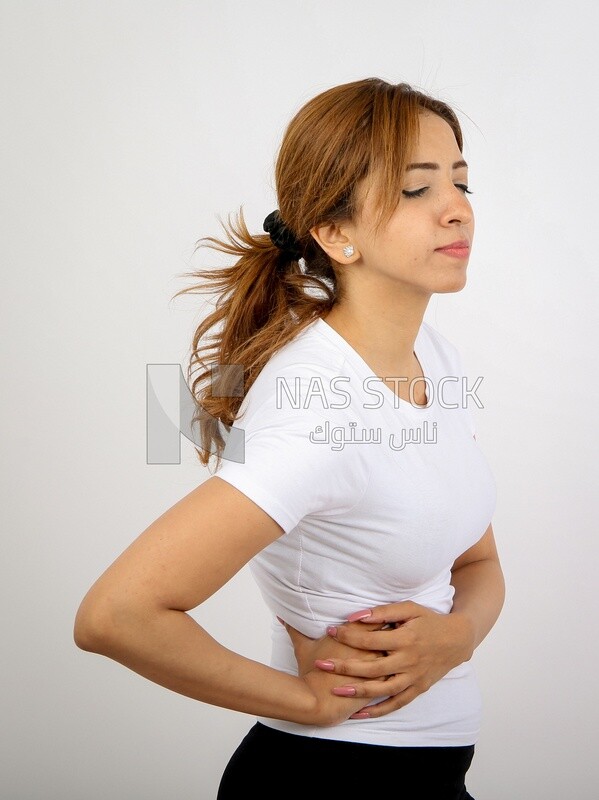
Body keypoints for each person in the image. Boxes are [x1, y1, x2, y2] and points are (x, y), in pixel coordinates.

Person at [74, 77, 505, 799]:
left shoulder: (435, 358)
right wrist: (305, 702)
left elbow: (478, 560)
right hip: (330, 779)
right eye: (415, 190)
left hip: (432, 773)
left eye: (460, 183)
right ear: (335, 234)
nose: (456, 209)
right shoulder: (316, 414)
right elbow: (116, 614)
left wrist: (458, 636)